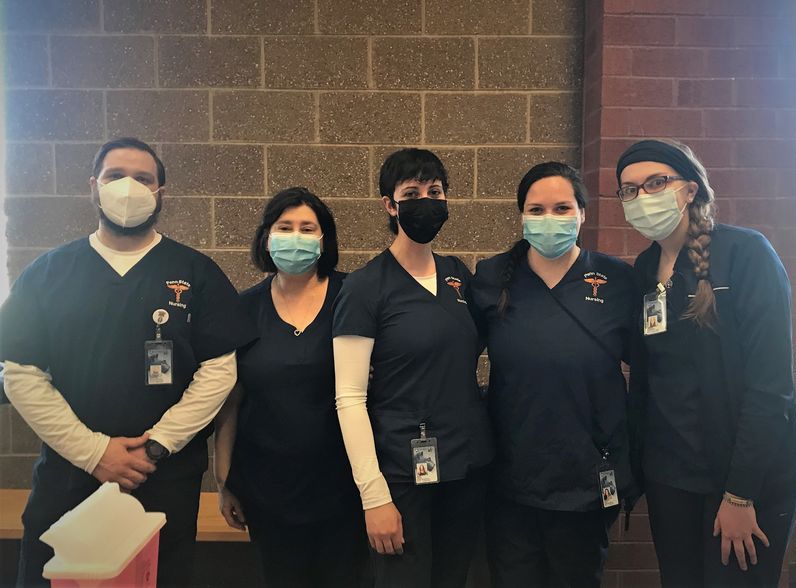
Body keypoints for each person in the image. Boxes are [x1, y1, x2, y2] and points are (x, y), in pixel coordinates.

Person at [0, 137, 256, 588]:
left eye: (143, 178)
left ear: (162, 194)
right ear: (92, 186)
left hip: (162, 479)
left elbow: (219, 371)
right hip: (69, 478)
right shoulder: (47, 274)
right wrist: (94, 452)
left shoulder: (196, 272)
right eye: (115, 175)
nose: (128, 187)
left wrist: (157, 445)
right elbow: (21, 374)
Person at [618, 139, 796, 588]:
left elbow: (771, 386)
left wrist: (740, 494)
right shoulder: (643, 270)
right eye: (628, 190)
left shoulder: (745, 255)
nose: (642, 197)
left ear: (691, 190)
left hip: (743, 481)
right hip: (671, 478)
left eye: (656, 182)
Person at [332, 148, 494, 588]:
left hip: (465, 468)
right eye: (412, 192)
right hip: (402, 476)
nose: (426, 200)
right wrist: (374, 496)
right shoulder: (365, 287)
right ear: (390, 204)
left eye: (435, 191)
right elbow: (348, 397)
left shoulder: (458, 276)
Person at [470, 162, 636, 587]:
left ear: (583, 213)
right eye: (536, 209)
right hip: (512, 480)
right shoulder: (491, 278)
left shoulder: (617, 281)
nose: (549, 220)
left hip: (585, 480)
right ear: (521, 216)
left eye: (562, 208)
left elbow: (654, 372)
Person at [214, 187, 369, 588]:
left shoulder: (353, 296)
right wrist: (224, 480)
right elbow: (231, 399)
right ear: (267, 237)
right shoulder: (245, 309)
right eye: (285, 227)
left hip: (343, 491)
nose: (296, 237)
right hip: (268, 493)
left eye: (307, 228)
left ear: (324, 239)